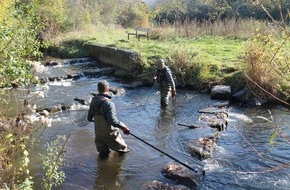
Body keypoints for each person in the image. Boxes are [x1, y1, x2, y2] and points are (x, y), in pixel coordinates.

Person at [87, 80, 130, 158]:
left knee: (103, 155)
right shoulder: (109, 103)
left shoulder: (93, 101)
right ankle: (118, 169)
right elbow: (113, 121)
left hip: (98, 134)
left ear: (98, 89)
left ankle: (101, 169)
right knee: (123, 151)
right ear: (108, 89)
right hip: (110, 134)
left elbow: (89, 118)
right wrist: (124, 127)